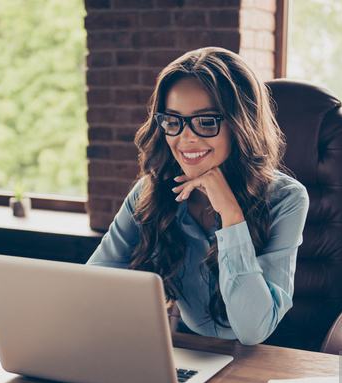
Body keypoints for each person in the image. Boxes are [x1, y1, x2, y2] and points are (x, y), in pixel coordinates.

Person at [87, 47, 309, 346]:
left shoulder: (286, 198)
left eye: (206, 121)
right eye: (172, 121)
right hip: (192, 348)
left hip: (268, 352)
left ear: (240, 124)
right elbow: (94, 282)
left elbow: (252, 330)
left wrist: (231, 215)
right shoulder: (151, 191)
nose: (186, 138)